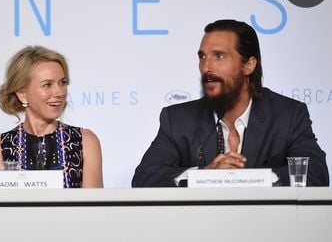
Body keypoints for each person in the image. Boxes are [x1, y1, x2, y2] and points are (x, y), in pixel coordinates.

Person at [132, 19, 329, 187]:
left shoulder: (288, 115)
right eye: (202, 56)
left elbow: (316, 174)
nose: (206, 67)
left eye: (219, 56)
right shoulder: (178, 119)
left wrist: (248, 179)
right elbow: (144, 178)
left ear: (249, 65)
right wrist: (203, 175)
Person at [0, 45, 103, 188]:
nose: (59, 92)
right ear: (22, 94)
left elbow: (92, 208)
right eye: (47, 85)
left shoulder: (85, 141)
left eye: (62, 83)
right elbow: (1, 207)